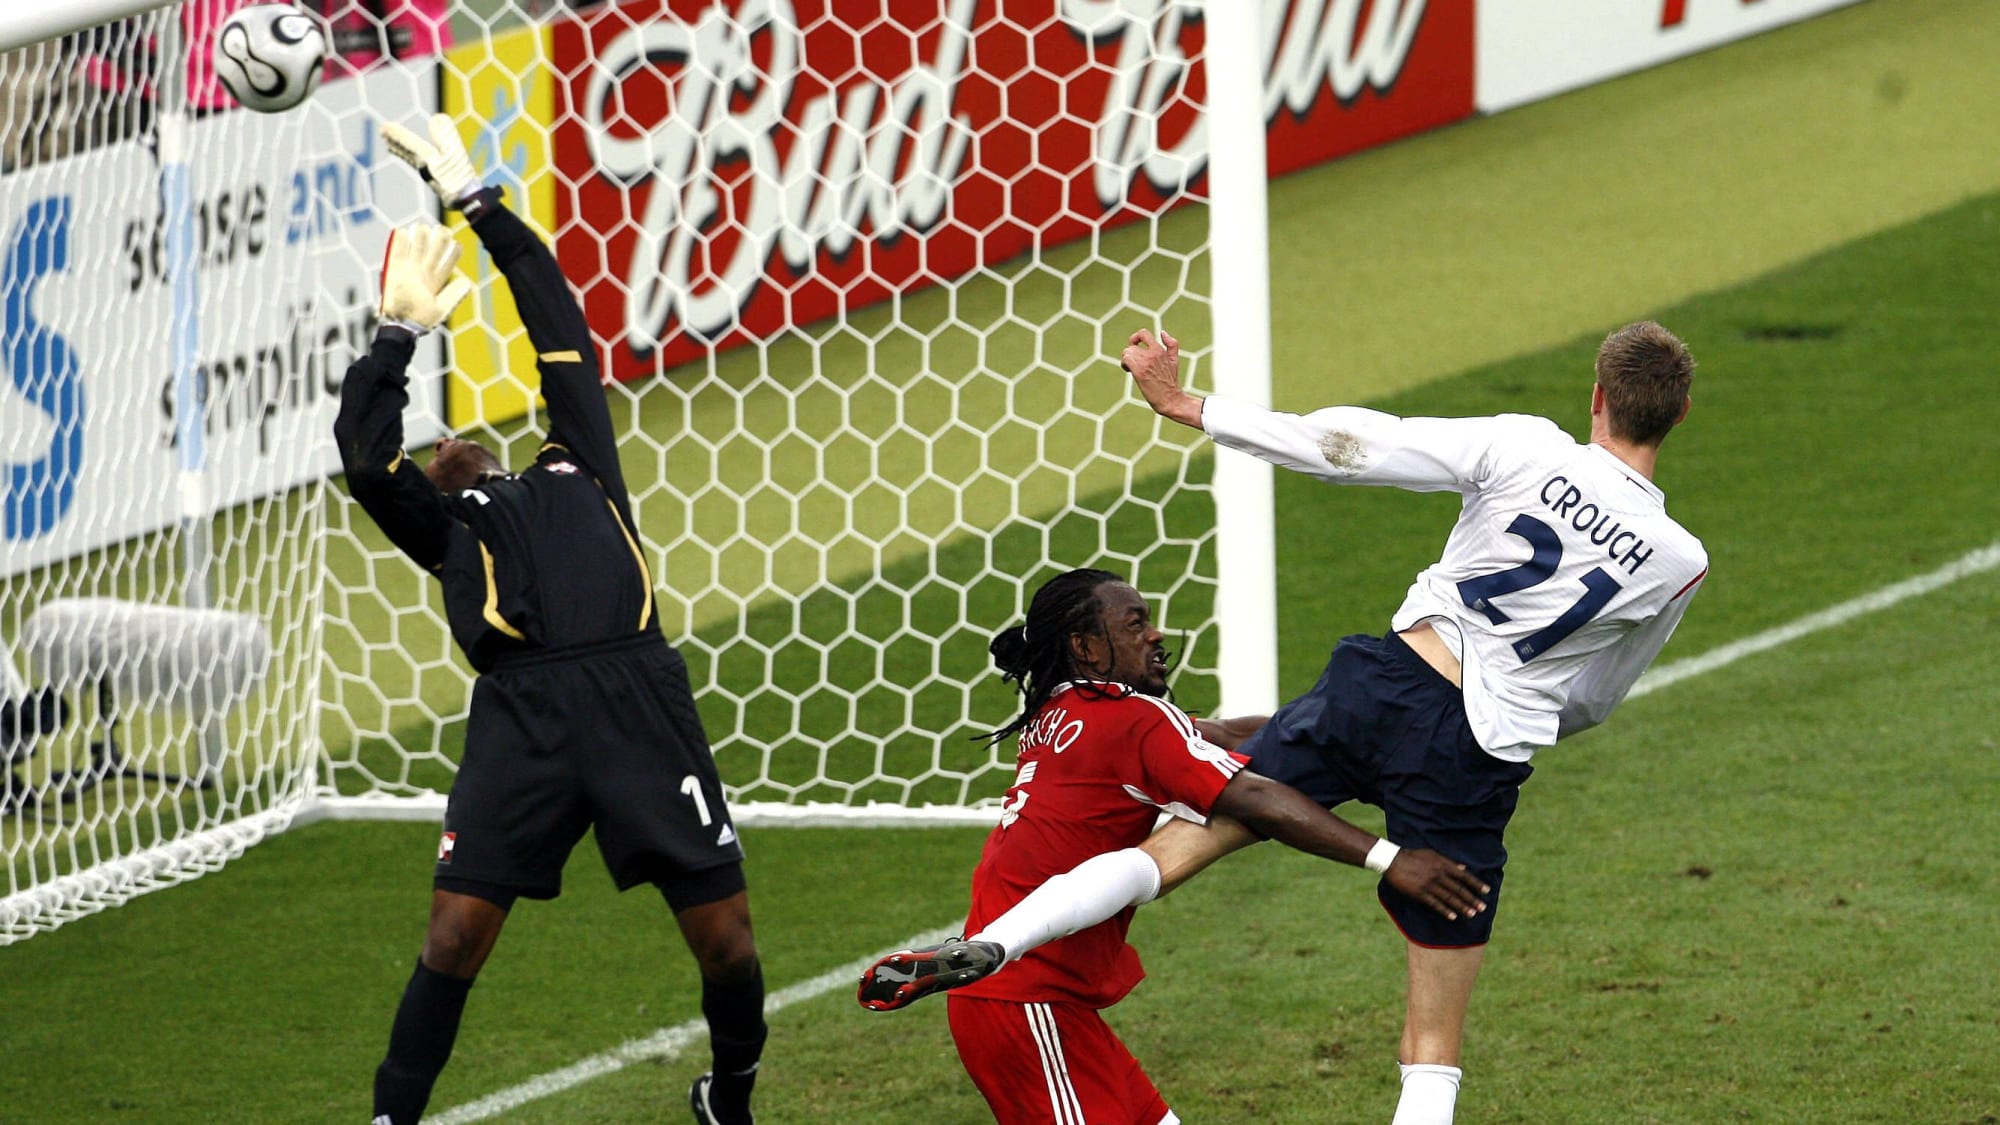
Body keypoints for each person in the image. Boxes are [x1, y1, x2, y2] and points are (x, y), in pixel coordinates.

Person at [881, 323, 1707, 1125]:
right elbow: (1597, 697)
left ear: (1596, 395)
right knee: (1433, 1041)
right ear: (1678, 415)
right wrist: (1521, 716)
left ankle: (996, 941)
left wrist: (1186, 403)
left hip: (1380, 687)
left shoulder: (1526, 445)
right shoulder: (1678, 559)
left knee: (1169, 852)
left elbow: (1348, 447)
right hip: (1476, 755)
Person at [335, 114, 763, 1125]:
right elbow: (363, 457)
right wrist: (398, 335)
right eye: (432, 448)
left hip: (636, 700)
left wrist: (478, 208)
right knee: (453, 939)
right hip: (521, 720)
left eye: (457, 438)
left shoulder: (583, 465)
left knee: (728, 938)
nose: (451, 444)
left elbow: (558, 329)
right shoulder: (440, 529)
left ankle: (730, 1096)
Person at [856, 567, 1491, 1125]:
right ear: (1086, 647)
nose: (1155, 635)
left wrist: (1350, 723)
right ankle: (987, 948)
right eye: (1135, 625)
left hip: (1039, 1000)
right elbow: (1259, 799)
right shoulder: (1132, 719)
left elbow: (1220, 733)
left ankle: (983, 947)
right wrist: (1390, 858)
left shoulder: (1064, 712)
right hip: (1029, 1000)